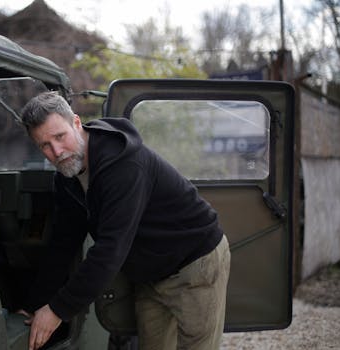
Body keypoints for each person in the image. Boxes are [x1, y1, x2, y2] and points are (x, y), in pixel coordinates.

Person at [19, 91, 231, 350]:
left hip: (195, 262)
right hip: (150, 274)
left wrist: (57, 311)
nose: (57, 152)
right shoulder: (66, 178)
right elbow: (64, 244)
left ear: (76, 122)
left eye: (59, 137)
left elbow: (110, 250)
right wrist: (37, 305)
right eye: (44, 146)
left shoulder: (123, 165)